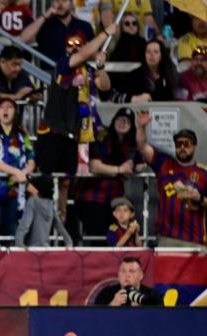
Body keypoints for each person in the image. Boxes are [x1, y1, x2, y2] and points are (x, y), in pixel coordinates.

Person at [35, 28, 114, 224]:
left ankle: (59, 224)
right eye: (70, 44)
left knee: (65, 183)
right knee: (43, 182)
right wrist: (105, 34)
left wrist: (101, 66)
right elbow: (85, 53)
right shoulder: (63, 64)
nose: (74, 48)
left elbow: (105, 86)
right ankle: (40, 225)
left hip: (74, 134)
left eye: (78, 44)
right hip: (52, 133)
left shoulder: (88, 70)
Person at [68, 107, 140, 245]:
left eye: (127, 121)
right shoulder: (103, 137)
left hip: (115, 201)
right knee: (98, 240)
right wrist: (119, 169)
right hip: (93, 198)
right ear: (113, 121)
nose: (123, 123)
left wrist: (133, 168)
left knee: (114, 239)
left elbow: (140, 164)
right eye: (120, 119)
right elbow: (94, 166)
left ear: (131, 126)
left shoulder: (130, 143)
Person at [135, 113, 207, 248]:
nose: (182, 147)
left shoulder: (204, 173)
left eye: (187, 143)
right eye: (179, 144)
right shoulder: (164, 163)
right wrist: (141, 126)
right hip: (166, 238)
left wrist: (200, 198)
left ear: (194, 146)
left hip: (194, 239)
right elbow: (142, 146)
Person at [0, 96, 35, 239]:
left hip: (16, 191)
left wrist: (23, 173)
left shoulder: (22, 134)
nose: (6, 110)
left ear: (15, 112)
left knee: (13, 231)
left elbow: (31, 160)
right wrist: (16, 172)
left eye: (10, 107)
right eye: (1, 107)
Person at [19, 0, 94, 64]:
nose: (60, 4)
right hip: (49, 74)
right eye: (57, 0)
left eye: (64, 0)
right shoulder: (44, 25)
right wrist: (46, 15)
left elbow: (94, 52)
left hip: (78, 73)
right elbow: (23, 39)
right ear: (52, 3)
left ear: (71, 4)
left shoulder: (84, 26)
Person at [111, 39, 181, 103]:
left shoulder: (168, 75)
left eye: (155, 52)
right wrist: (134, 99)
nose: (152, 55)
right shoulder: (135, 75)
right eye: (148, 52)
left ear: (161, 56)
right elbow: (114, 96)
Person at [15, 174, 72, 247]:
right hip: (46, 247)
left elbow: (25, 225)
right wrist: (68, 241)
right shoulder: (50, 203)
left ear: (38, 189)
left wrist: (18, 243)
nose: (30, 185)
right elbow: (58, 224)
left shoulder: (33, 201)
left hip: (31, 247)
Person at [94, 256, 163, 306]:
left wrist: (143, 312)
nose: (127, 275)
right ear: (118, 274)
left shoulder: (152, 296)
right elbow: (95, 319)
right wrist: (112, 305)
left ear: (141, 275)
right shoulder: (106, 293)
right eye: (123, 271)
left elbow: (160, 320)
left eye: (132, 271)